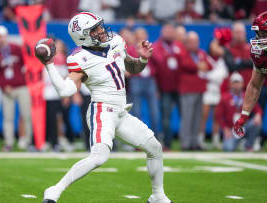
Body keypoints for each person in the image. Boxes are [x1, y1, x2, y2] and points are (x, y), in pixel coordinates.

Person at [38, 12, 172, 203]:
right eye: (95, 29)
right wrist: (50, 65)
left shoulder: (116, 41)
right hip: (102, 111)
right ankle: (54, 190)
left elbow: (132, 68)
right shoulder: (80, 58)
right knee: (99, 157)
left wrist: (142, 59)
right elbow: (66, 90)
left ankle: (157, 196)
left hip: (121, 112)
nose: (101, 31)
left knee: (155, 148)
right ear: (83, 36)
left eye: (100, 26)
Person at [233, 11, 267, 144]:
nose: (259, 38)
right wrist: (244, 115)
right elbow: (254, 85)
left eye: (264, 34)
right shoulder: (260, 54)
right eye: (258, 34)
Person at [0, 25, 33, 152]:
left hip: (21, 87)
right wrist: (4, 86)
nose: (0, 38)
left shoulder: (15, 48)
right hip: (7, 89)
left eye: (1, 35)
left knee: (27, 115)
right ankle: (8, 142)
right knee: (8, 117)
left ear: (6, 35)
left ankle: (29, 141)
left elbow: (27, 62)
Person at [149, 24, 181, 150]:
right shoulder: (156, 47)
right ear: (162, 33)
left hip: (179, 87)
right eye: (166, 31)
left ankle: (186, 142)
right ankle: (167, 143)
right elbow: (157, 65)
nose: (169, 33)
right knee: (165, 117)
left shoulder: (178, 46)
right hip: (164, 88)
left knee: (184, 115)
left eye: (171, 31)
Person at [178, 31, 212, 150]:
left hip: (200, 89)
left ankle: (194, 141)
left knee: (198, 117)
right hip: (187, 89)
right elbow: (185, 64)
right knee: (187, 116)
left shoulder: (201, 53)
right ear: (186, 42)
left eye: (196, 42)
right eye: (191, 42)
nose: (194, 44)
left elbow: (209, 65)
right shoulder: (183, 52)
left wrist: (200, 66)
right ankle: (185, 142)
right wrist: (198, 66)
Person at [128, 27, 160, 140]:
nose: (141, 37)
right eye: (139, 34)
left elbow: (158, 64)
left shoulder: (152, 48)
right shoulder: (131, 49)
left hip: (150, 80)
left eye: (143, 34)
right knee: (136, 112)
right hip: (136, 80)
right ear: (135, 36)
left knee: (154, 112)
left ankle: (155, 138)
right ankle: (138, 139)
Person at [217, 72, 262, 151]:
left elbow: (258, 109)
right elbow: (219, 116)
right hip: (231, 129)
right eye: (234, 83)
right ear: (230, 84)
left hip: (244, 126)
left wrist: (258, 116)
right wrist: (225, 129)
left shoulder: (246, 96)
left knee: (257, 124)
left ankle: (248, 145)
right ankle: (237, 142)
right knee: (228, 148)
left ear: (242, 84)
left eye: (238, 83)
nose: (236, 85)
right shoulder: (224, 97)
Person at [198, 39, 228, 149]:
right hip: (207, 90)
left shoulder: (221, 60)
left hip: (218, 90)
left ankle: (216, 139)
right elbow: (202, 73)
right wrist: (214, 76)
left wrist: (211, 75)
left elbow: (224, 74)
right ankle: (200, 139)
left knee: (217, 116)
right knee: (204, 116)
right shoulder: (205, 58)